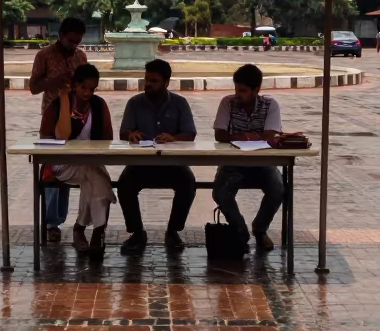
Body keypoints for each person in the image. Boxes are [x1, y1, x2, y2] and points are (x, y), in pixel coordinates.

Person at [117, 59, 198, 253]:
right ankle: (137, 233)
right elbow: (123, 133)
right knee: (124, 184)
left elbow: (190, 134)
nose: (148, 85)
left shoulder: (180, 103)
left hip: (172, 164)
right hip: (141, 164)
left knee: (188, 182)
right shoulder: (135, 103)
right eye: (147, 80)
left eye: (154, 81)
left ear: (166, 82)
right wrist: (131, 135)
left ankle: (173, 231)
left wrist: (174, 138)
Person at [39, 63, 115, 253]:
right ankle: (94, 231)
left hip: (91, 161)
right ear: (74, 85)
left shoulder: (99, 105)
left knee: (92, 175)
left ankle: (83, 229)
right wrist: (64, 99)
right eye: (83, 88)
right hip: (62, 164)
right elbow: (62, 135)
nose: (88, 93)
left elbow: (107, 139)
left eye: (92, 89)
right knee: (99, 177)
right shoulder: (57, 105)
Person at [212, 64, 284, 253]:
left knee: (278, 190)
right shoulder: (228, 103)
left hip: (263, 161)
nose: (238, 94)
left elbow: (270, 136)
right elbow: (219, 134)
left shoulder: (270, 105)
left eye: (243, 91)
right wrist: (242, 137)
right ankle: (240, 231)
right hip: (233, 161)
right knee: (219, 192)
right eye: (236, 89)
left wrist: (243, 135)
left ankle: (260, 230)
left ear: (256, 90)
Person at [30, 18, 89, 242]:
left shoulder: (80, 56)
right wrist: (53, 81)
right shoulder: (44, 55)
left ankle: (70, 220)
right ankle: (52, 222)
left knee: (72, 169)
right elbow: (33, 87)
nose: (74, 45)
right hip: (51, 118)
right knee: (52, 171)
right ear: (61, 35)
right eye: (71, 40)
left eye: (77, 41)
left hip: (77, 117)